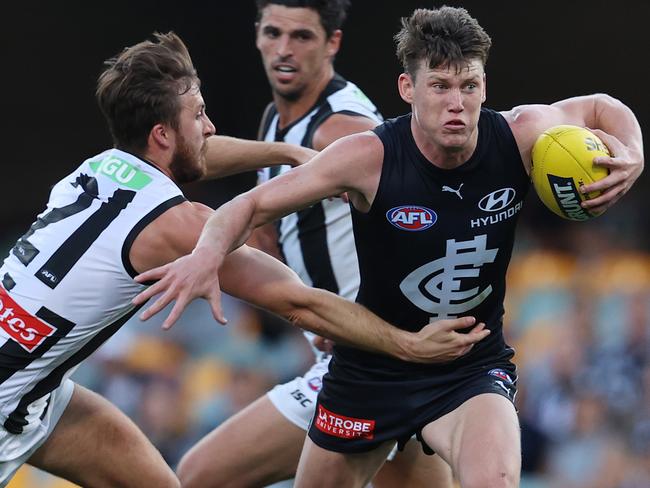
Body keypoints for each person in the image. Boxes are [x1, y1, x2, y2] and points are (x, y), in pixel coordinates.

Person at [133, 6, 644, 487]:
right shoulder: (366, 156)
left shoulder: (521, 134)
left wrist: (633, 154)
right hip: (370, 370)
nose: (456, 103)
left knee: (496, 479)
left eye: (469, 85)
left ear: (484, 85)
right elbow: (244, 208)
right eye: (440, 86)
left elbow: (602, 106)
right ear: (408, 87)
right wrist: (204, 257)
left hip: (467, 365)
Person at [0, 31, 490, 488]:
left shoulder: (98, 168)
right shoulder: (180, 227)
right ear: (162, 135)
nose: (210, 126)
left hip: (38, 391)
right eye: (198, 115)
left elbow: (200, 155)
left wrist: (292, 154)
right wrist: (408, 345)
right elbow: (301, 304)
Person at [175, 1, 453, 487]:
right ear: (257, 35)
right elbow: (193, 158)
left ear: (332, 43)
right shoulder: (278, 120)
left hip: (373, 357)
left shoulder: (343, 127)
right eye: (273, 33)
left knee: (200, 475)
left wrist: (368, 319)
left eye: (301, 37)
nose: (284, 50)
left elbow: (428, 220)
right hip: (366, 355)